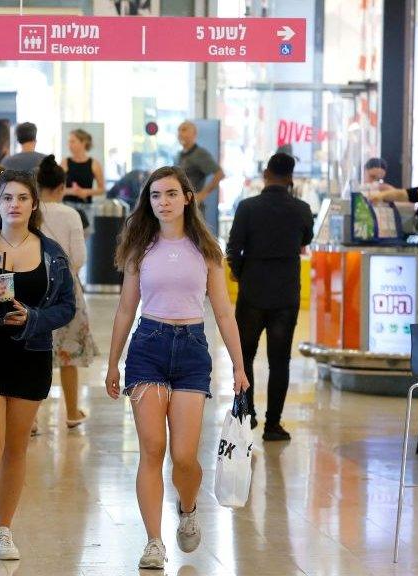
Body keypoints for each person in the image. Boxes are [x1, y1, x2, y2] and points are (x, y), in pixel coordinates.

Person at [103, 166, 249, 570]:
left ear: (188, 197)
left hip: (191, 350)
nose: (162, 202)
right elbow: (125, 309)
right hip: (147, 346)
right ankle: (153, 541)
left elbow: (222, 310)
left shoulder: (206, 249)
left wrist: (239, 365)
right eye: (155, 196)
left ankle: (188, 507)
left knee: (184, 455)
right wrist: (112, 363)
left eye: (170, 194)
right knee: (152, 449)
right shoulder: (139, 247)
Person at [0, 170, 76, 567]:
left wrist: (33, 317)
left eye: (23, 198)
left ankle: (5, 528)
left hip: (31, 354)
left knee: (16, 449)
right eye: (7, 198)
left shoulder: (53, 253)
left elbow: (67, 307)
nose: (14, 205)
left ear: (34, 204)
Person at [226, 153, 314, 441]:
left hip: (252, 292)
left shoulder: (248, 208)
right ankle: (273, 425)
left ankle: (247, 414)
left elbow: (233, 246)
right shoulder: (301, 208)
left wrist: (240, 274)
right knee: (280, 362)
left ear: (266, 173)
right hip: (285, 294)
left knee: (245, 357)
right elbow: (306, 240)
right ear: (291, 177)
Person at [36, 155, 97, 427]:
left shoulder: (31, 212)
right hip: (65, 290)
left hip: (34, 288)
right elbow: (79, 257)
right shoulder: (71, 214)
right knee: (68, 354)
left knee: (34, 355)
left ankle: (33, 420)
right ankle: (72, 412)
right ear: (61, 187)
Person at [175, 121, 224, 206]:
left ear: (194, 134)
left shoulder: (200, 153)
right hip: (180, 204)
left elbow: (220, 174)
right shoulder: (179, 155)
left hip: (193, 206)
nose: (180, 133)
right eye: (179, 130)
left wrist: (202, 195)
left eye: (184, 130)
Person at [61, 128, 106, 205]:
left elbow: (102, 189)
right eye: (69, 142)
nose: (69, 145)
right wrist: (72, 191)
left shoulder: (94, 164)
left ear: (83, 143)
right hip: (67, 206)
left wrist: (86, 192)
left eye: (72, 141)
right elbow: (57, 188)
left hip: (86, 207)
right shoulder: (64, 162)